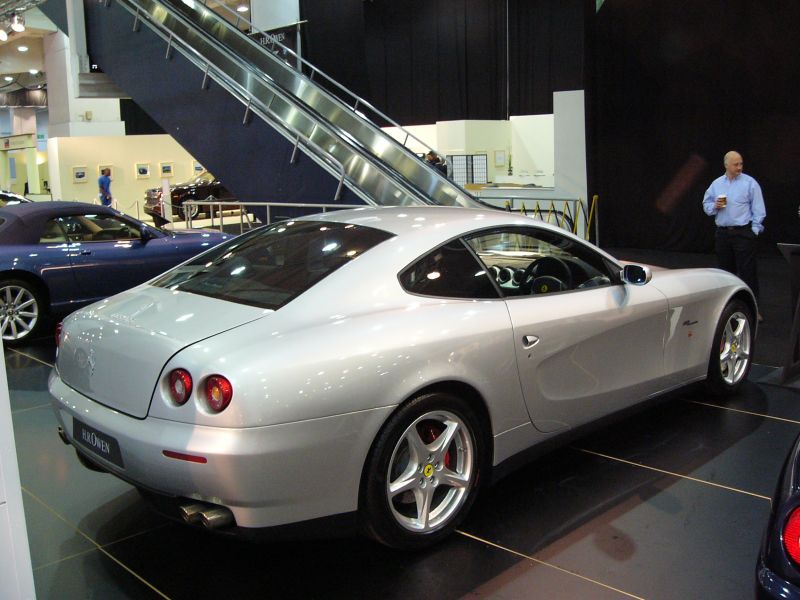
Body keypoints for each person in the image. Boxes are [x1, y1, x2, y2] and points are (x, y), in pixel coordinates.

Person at [702, 150, 766, 318]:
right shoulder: (716, 184)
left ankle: (754, 310)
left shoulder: (750, 183)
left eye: (741, 164)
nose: (739, 167)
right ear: (726, 165)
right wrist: (714, 206)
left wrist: (754, 231)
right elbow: (706, 205)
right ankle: (727, 308)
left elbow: (759, 209)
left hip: (743, 233)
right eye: (736, 164)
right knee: (725, 273)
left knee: (748, 273)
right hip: (723, 234)